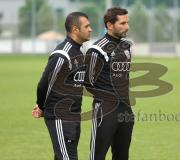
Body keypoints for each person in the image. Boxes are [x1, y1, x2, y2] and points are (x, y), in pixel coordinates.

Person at [32, 12, 92, 160]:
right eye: (87, 26)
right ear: (75, 29)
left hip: (73, 116)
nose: (90, 29)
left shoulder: (78, 51)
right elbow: (44, 84)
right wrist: (41, 106)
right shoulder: (62, 54)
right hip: (60, 116)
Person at [84, 7, 134, 160]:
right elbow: (88, 82)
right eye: (122, 23)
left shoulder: (127, 46)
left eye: (127, 22)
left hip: (125, 110)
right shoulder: (96, 50)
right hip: (105, 111)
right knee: (97, 156)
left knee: (122, 156)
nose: (127, 27)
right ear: (109, 25)